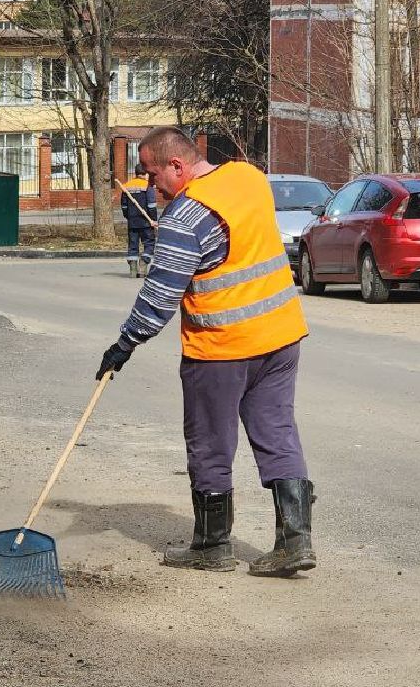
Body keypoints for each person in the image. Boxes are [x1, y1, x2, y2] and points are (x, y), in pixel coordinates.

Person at [97, 127, 315, 577]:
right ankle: (295, 541)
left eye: (153, 175)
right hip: (280, 337)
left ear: (177, 167)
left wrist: (124, 344)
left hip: (221, 348)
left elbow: (159, 297)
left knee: (210, 445)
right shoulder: (249, 178)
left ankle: (212, 545)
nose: (151, 187)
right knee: (277, 433)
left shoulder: (186, 215)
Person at [120, 166, 159, 278]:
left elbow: (124, 206)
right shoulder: (147, 186)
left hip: (132, 222)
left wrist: (129, 217)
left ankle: (133, 269)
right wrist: (153, 220)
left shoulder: (127, 186)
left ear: (136, 173)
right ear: (145, 173)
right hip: (146, 222)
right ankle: (143, 265)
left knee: (133, 245)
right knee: (149, 243)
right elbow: (151, 205)